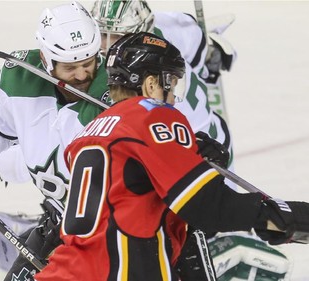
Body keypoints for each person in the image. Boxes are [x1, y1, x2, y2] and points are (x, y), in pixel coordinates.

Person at [34, 31, 309, 281]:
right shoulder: (154, 115)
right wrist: (280, 214)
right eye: (172, 85)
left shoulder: (89, 133)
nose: (174, 98)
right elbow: (205, 206)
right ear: (152, 83)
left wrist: (191, 163)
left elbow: (130, 200)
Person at [0, 1, 110, 280]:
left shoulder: (120, 87)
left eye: (88, 63)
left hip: (116, 234)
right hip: (60, 224)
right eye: (69, 67)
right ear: (45, 58)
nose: (80, 75)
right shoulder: (21, 79)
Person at [90, 0, 237, 189]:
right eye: (102, 34)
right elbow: (199, 43)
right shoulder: (169, 26)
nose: (107, 45)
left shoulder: (132, 79)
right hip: (204, 140)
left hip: (204, 155)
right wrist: (211, 50)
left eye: (119, 36)